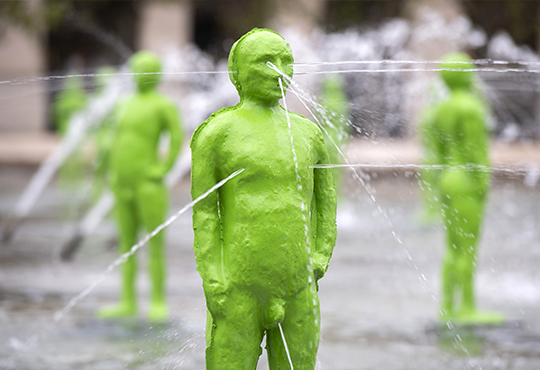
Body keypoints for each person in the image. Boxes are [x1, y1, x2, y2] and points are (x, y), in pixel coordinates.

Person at [190, 28, 337, 369]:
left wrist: (321, 255)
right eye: (265, 62)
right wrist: (214, 280)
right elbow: (205, 214)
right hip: (240, 286)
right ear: (237, 72)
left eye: (287, 62)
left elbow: (326, 202)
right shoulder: (217, 133)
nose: (280, 71)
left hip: (300, 283)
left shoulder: (308, 133)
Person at [98, 51, 182, 322]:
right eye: (136, 68)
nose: (139, 74)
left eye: (145, 69)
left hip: (149, 184)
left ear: (157, 75)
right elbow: (113, 137)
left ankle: (158, 300)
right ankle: (128, 300)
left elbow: (177, 138)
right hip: (122, 182)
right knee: (126, 244)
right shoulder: (123, 104)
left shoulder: (163, 105)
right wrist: (108, 169)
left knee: (155, 244)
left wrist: (163, 169)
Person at [433, 52, 502, 324]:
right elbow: (475, 152)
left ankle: (448, 307)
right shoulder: (471, 107)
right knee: (468, 247)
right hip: (467, 181)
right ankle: (467, 307)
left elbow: (438, 150)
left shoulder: (442, 107)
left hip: (448, 178)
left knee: (452, 247)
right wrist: (484, 181)